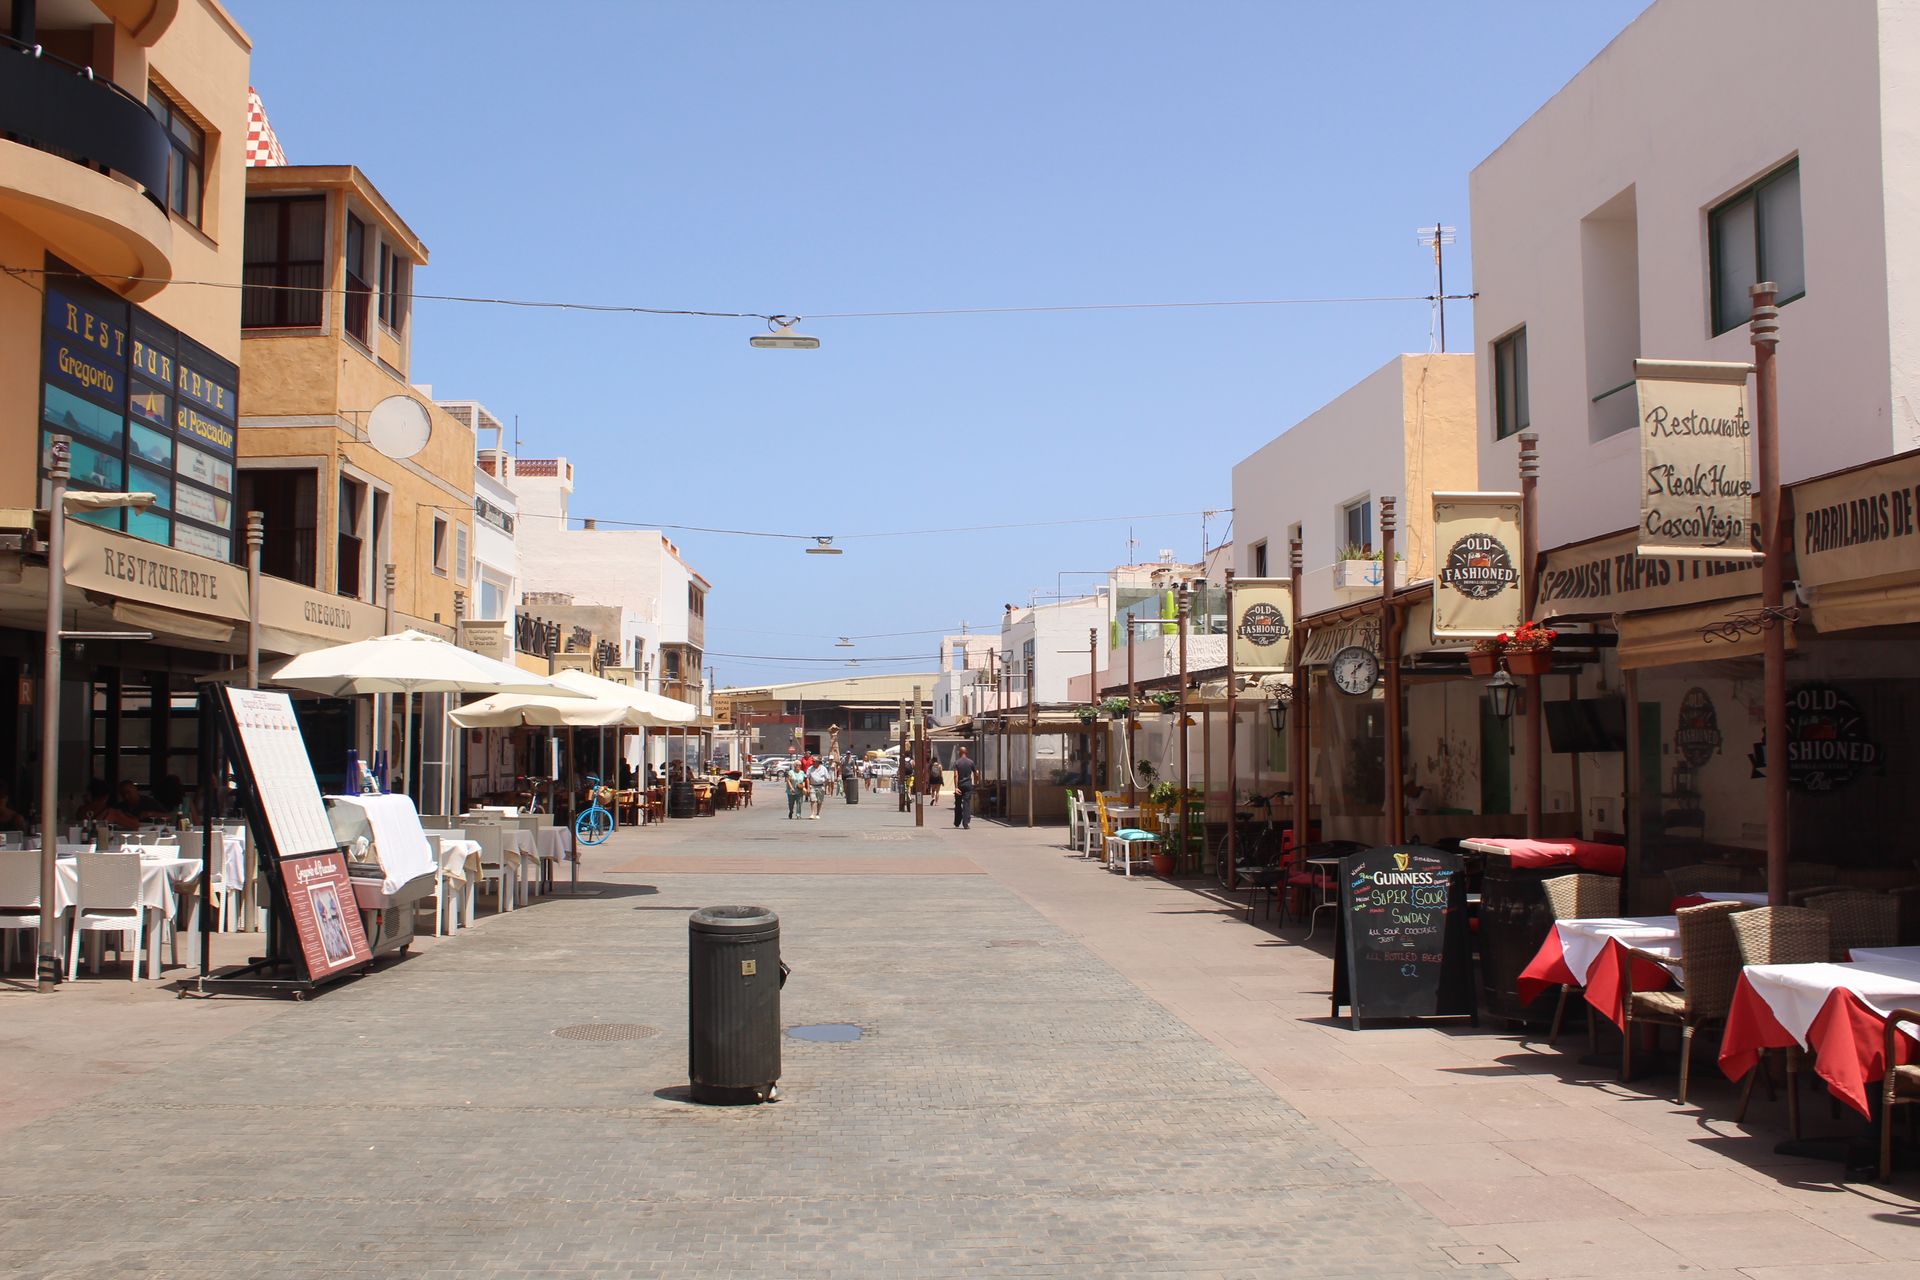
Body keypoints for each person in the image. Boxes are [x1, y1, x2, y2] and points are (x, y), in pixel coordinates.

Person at [952, 746, 977, 829]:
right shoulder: (971, 762)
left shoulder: (957, 762)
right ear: (966, 753)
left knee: (958, 804)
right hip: (968, 785)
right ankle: (966, 823)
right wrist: (975, 784)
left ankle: (957, 822)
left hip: (960, 785)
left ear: (960, 753)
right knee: (967, 804)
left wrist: (956, 787)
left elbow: (956, 775)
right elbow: (976, 773)